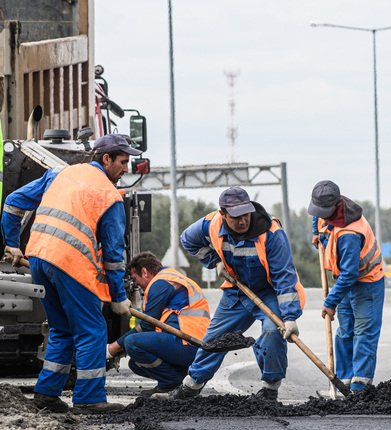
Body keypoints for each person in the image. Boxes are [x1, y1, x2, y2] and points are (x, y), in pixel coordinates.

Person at [1, 133, 141, 414]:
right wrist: (118, 297)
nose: (127, 169)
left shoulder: (59, 174)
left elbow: (13, 202)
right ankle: (89, 399)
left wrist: (12, 244)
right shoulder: (110, 196)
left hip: (39, 258)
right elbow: (114, 257)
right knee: (92, 330)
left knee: (61, 329)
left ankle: (47, 394)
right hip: (71, 265)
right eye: (123, 162)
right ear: (106, 159)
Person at [158, 187, 304, 401]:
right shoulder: (211, 224)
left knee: (274, 332)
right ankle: (190, 388)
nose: (243, 221)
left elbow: (284, 276)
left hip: (268, 291)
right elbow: (188, 240)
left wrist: (289, 318)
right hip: (237, 291)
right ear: (223, 213)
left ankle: (270, 391)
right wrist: (214, 261)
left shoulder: (271, 233)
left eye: (246, 214)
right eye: (236, 217)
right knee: (214, 339)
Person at [309, 180, 385, 394]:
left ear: (336, 205)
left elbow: (350, 273)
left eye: (324, 211)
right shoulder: (326, 212)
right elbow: (317, 215)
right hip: (345, 282)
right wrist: (316, 231)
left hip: (366, 283)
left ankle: (360, 388)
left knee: (363, 334)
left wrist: (330, 302)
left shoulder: (350, 233)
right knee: (344, 333)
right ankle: (343, 385)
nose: (320, 214)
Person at [106, 252, 211, 397]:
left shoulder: (161, 283)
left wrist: (114, 347)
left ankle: (171, 383)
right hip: (194, 345)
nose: (135, 284)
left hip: (190, 344)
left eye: (135, 278)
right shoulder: (171, 278)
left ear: (145, 272)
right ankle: (183, 379)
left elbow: (146, 325)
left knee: (132, 343)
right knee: (134, 363)